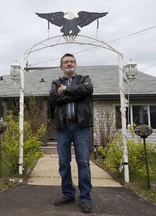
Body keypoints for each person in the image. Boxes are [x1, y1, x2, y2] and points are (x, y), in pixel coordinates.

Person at [49, 53, 93, 213]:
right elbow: (54, 98)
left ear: (75, 64)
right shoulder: (56, 83)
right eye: (66, 62)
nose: (69, 64)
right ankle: (68, 194)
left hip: (81, 127)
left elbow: (88, 89)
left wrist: (66, 90)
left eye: (71, 61)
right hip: (63, 128)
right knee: (64, 163)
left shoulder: (84, 79)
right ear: (61, 66)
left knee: (83, 162)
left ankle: (85, 198)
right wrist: (76, 95)